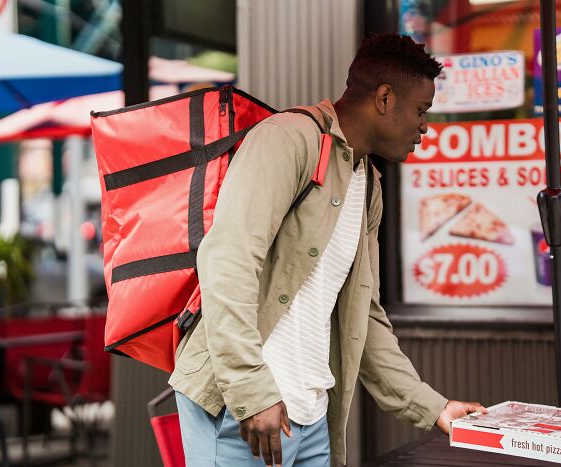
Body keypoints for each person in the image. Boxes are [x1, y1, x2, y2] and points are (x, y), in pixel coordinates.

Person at [169, 33, 487, 467]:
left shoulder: (367, 184)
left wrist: (432, 407)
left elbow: (366, 315)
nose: (425, 127)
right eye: (421, 110)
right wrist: (251, 391)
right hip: (245, 411)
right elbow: (228, 259)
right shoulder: (288, 139)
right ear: (384, 98)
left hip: (309, 414)